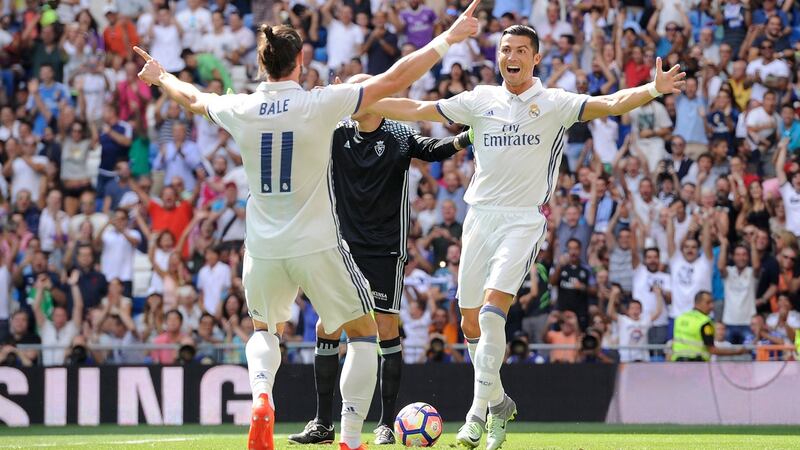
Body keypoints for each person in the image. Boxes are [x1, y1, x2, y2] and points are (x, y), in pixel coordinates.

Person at [133, 4, 480, 448]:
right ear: (301, 61)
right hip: (317, 244)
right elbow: (394, 79)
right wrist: (449, 37)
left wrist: (161, 76)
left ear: (262, 62)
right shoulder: (320, 102)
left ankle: (262, 398)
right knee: (362, 332)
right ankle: (351, 436)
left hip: (261, 247)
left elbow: (194, 98)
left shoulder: (240, 107)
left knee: (264, 329)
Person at [367, 23, 686, 449]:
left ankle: (475, 416)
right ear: (498, 57)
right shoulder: (480, 99)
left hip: (523, 220)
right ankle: (499, 403)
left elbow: (610, 104)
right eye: (504, 49)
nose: (511, 56)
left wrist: (652, 89)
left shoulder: (554, 103)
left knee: (491, 311)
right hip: (479, 218)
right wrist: (360, 101)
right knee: (468, 321)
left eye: (520, 50)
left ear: (535, 58)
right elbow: (419, 109)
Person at [289, 74, 471, 445]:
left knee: (385, 329)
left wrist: (468, 136)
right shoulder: (335, 134)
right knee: (327, 326)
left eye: (355, 93)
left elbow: (434, 150)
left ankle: (386, 422)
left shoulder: (399, 134)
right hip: (341, 247)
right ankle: (323, 423)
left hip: (385, 248)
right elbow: (300, 127)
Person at [671, 291, 750, 361]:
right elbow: (712, 350)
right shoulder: (705, 322)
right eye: (708, 303)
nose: (712, 306)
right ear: (698, 303)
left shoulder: (680, 318)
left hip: (678, 364)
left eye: (712, 302)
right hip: (696, 364)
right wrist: (737, 352)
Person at [607, 284, 663, 363]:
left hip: (643, 359)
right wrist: (613, 295)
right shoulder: (623, 320)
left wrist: (658, 295)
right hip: (626, 358)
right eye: (632, 308)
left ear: (641, 311)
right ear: (628, 311)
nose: (635, 311)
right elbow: (610, 313)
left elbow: (658, 312)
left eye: (638, 308)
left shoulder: (645, 320)